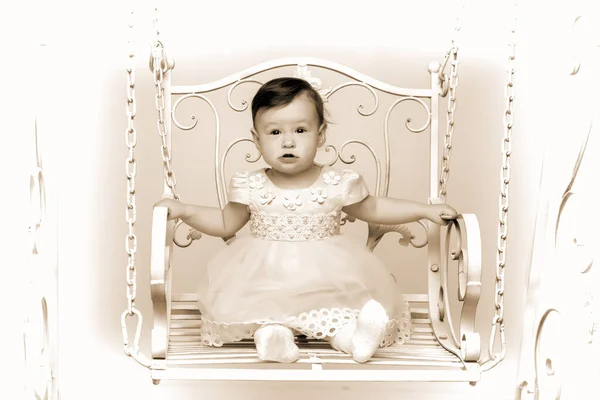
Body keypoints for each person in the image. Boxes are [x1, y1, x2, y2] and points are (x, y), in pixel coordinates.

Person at [155, 77, 458, 363]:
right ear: (257, 140)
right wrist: (184, 210)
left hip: (326, 280)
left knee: (339, 312)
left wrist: (423, 210)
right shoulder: (250, 184)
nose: (288, 142)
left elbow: (374, 210)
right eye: (275, 132)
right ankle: (275, 338)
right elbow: (224, 223)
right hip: (266, 281)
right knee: (267, 310)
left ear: (321, 134)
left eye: (300, 130)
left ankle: (355, 340)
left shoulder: (338, 181)